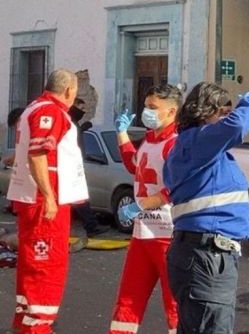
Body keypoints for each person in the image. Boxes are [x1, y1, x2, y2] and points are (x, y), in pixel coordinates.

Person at [162, 83, 249, 333]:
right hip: (208, 257)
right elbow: (237, 126)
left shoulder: (193, 148)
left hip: (197, 254)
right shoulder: (199, 142)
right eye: (223, 113)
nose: (227, 119)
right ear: (205, 112)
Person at [6, 69, 90, 333]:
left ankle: (28, 320)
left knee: (33, 263)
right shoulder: (51, 111)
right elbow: (39, 154)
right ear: (69, 91)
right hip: (44, 201)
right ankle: (38, 325)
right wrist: (50, 197)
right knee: (47, 265)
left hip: (35, 199)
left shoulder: (34, 108)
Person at [108, 84, 183, 334]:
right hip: (142, 233)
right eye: (146, 106)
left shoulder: (175, 143)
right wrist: (122, 134)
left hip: (167, 234)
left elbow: (174, 188)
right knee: (129, 297)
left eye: (153, 108)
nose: (146, 112)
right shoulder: (149, 141)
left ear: (171, 112)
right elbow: (134, 165)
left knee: (174, 302)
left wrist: (139, 205)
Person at [68, 98, 109, 240]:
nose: (83, 111)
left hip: (76, 163)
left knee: (78, 199)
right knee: (79, 198)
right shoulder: (68, 121)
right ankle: (91, 226)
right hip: (70, 165)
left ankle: (91, 225)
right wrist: (81, 129)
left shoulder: (73, 122)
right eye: (80, 107)